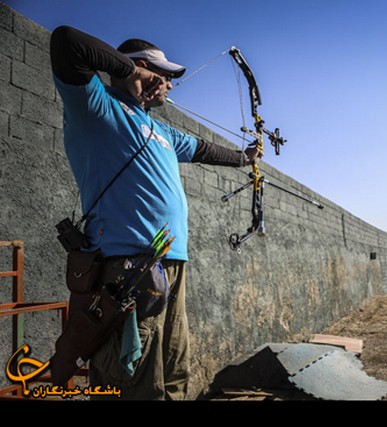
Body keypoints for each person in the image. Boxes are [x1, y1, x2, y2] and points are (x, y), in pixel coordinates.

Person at [49, 25, 262, 400]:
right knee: (132, 373)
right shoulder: (97, 108)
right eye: (165, 75)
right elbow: (67, 42)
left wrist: (245, 158)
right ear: (142, 68)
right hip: (127, 266)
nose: (170, 85)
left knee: (174, 366)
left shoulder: (160, 130)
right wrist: (131, 69)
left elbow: (203, 150)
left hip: (172, 262)